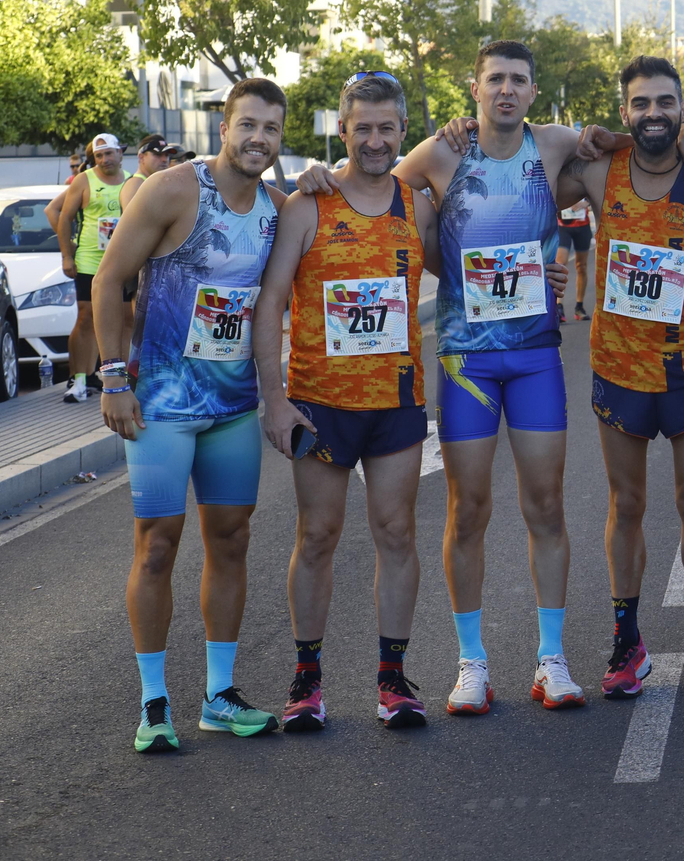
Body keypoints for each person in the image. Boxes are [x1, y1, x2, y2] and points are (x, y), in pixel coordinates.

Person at [297, 42, 592, 717]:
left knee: (545, 504)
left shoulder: (553, 145)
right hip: (465, 359)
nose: (507, 91)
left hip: (536, 355)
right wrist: (315, 173)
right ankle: (472, 663)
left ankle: (552, 660)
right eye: (496, 80)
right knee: (469, 510)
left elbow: (621, 150)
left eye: (519, 80)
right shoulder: (437, 155)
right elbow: (369, 192)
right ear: (475, 87)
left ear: (533, 89)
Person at [93, 79, 287, 754]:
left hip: (233, 406)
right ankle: (153, 706)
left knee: (231, 541)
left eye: (272, 129)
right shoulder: (176, 189)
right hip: (165, 407)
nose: (258, 138)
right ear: (224, 126)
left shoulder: (277, 207)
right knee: (157, 549)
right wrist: (114, 378)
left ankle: (219, 695)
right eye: (248, 124)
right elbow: (109, 278)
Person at [561, 56, 684, 698]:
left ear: (682, 109)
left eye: (665, 103)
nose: (653, 114)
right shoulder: (598, 172)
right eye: (640, 104)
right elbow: (519, 176)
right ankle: (627, 644)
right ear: (625, 111)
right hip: (618, 371)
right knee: (627, 506)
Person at [253, 73, 441, 731]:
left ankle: (393, 680)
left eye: (387, 127)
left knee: (396, 534)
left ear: (401, 132)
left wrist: (551, 271)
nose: (375, 139)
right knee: (319, 537)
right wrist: (275, 403)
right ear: (343, 131)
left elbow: (466, 268)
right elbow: (270, 301)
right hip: (319, 404)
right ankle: (306, 681)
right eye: (362, 127)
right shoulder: (309, 206)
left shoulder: (416, 205)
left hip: (395, 403)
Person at [57, 133, 130, 402]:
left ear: (120, 153)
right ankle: (79, 380)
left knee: (124, 318)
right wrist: (67, 256)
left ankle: (120, 378)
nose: (104, 159)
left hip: (121, 260)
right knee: (86, 318)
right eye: (99, 155)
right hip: (89, 260)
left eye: (109, 153)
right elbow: (63, 218)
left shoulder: (133, 181)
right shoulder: (83, 180)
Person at [557, 198, 593, 323]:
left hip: (582, 226)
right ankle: (558, 306)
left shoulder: (586, 178)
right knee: (560, 264)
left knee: (581, 266)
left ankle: (579, 307)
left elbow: (594, 194)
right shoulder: (560, 178)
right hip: (562, 226)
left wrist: (586, 203)